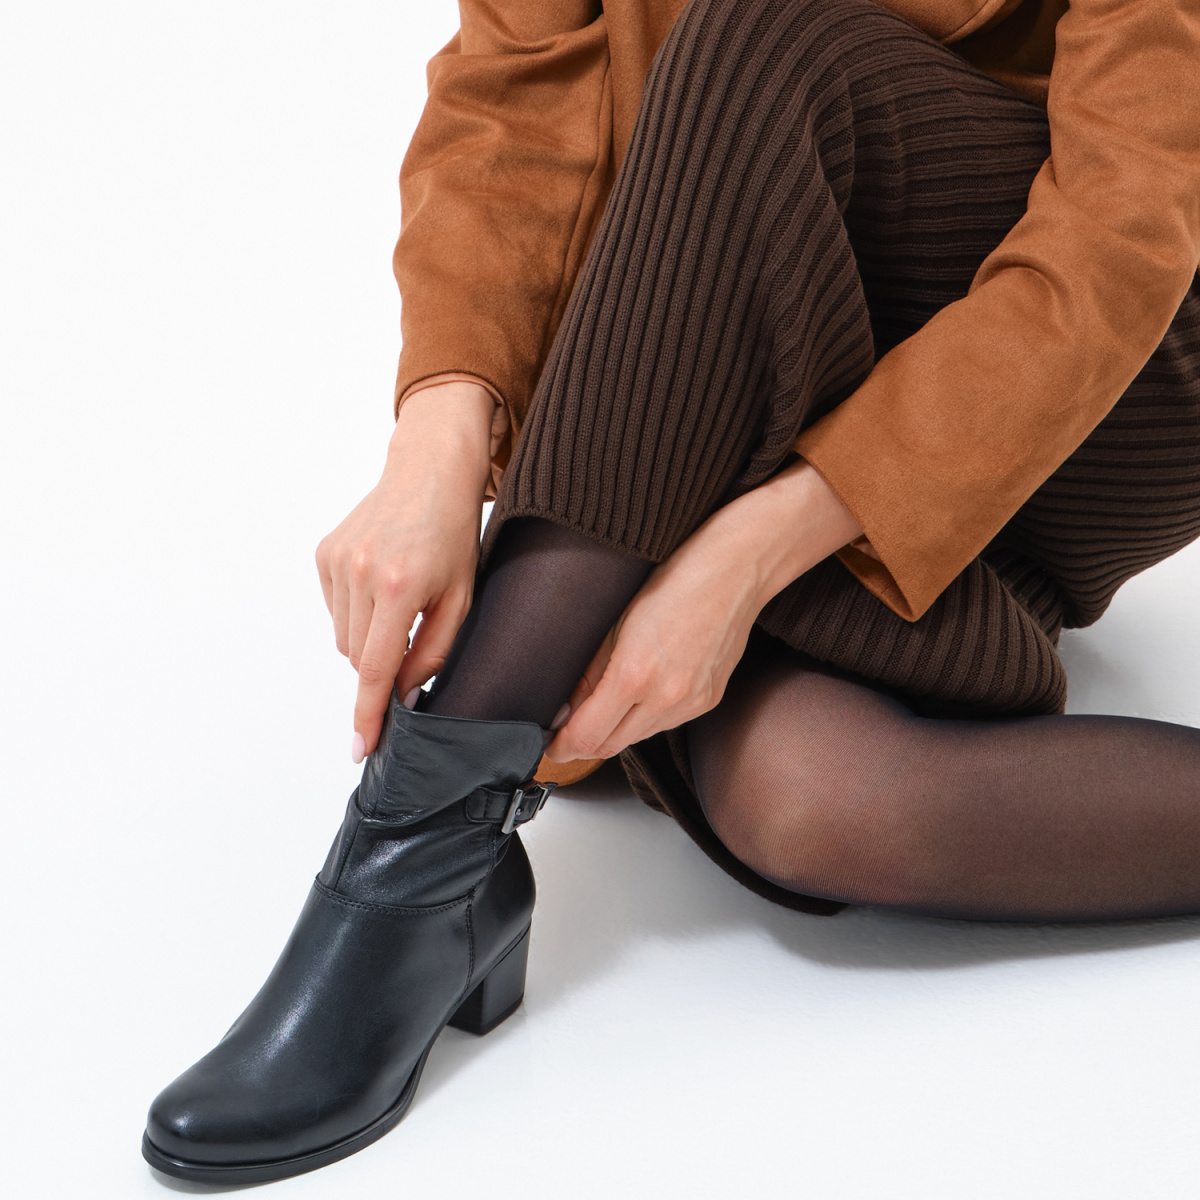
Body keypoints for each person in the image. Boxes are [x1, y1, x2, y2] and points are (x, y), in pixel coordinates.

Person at [141, 0, 1200, 1184]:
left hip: (1102, 353)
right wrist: (438, 429)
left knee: (762, 34)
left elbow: (1124, 228)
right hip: (748, 305)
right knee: (811, 798)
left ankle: (415, 849)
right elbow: (521, 80)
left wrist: (748, 556)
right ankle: (452, 850)